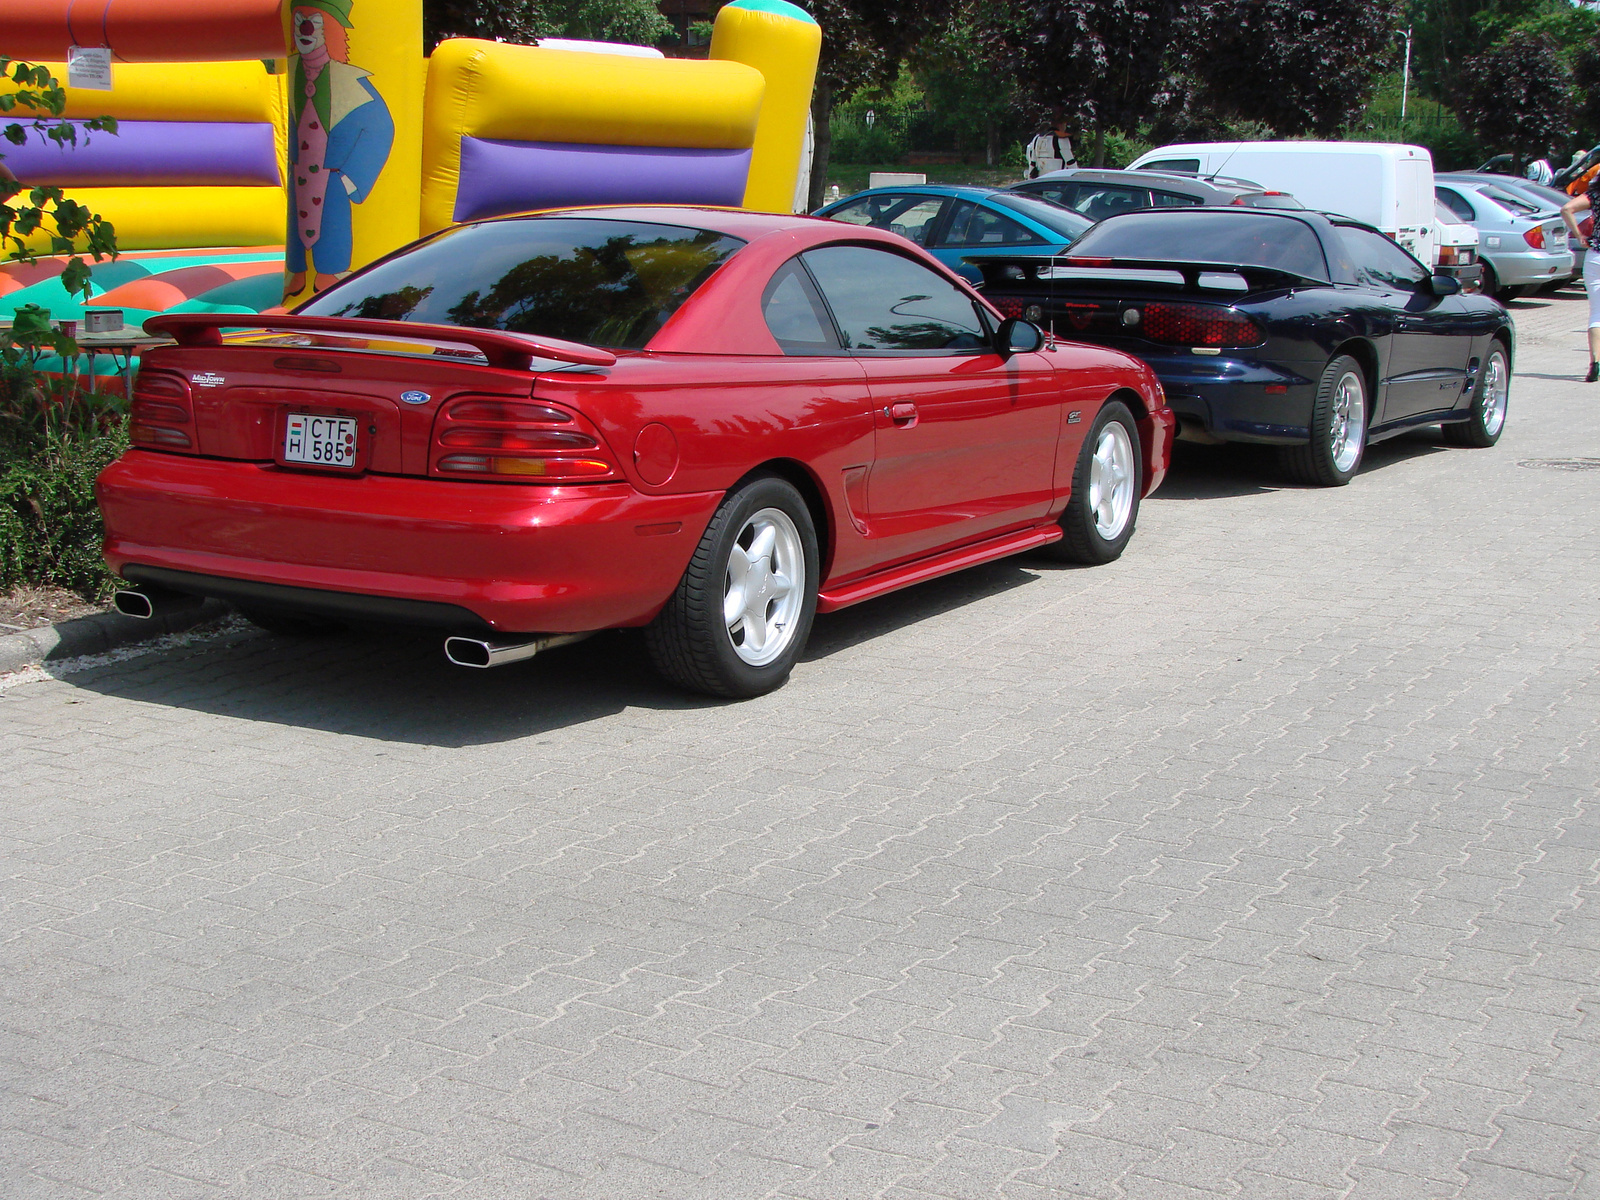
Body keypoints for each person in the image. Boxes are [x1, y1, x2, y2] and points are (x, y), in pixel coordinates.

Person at [1561, 179, 1600, 381]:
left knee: (1596, 313)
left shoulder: (1594, 195)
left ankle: (1595, 363)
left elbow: (1567, 209)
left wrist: (1579, 235)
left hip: (1595, 256)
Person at [1027, 111, 1077, 179]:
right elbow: (1070, 162)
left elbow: (1032, 163)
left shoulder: (1037, 138)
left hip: (1040, 178)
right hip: (1057, 179)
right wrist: (1076, 176)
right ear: (1060, 124)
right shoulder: (1061, 139)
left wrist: (1030, 179)